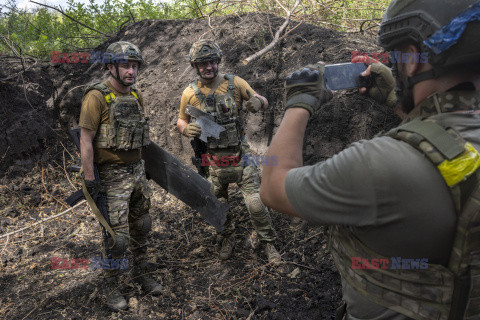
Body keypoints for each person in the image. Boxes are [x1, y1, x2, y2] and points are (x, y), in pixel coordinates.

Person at [260, 0, 480, 319]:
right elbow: (448, 133)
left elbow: (273, 187)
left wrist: (298, 102)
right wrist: (397, 100)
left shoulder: (376, 164)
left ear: (414, 57)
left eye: (395, 57)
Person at [176, 39, 281, 263]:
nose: (209, 67)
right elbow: (181, 120)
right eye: (202, 63)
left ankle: (269, 243)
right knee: (218, 205)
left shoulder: (235, 83)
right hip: (213, 160)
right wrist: (186, 129)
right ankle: (226, 237)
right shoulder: (189, 93)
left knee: (255, 204)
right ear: (195, 66)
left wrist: (257, 102)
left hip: (240, 156)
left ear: (218, 61)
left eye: (212, 61)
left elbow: (262, 99)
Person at [79, 41, 163, 311]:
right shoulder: (96, 96)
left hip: (136, 172)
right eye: (126, 65)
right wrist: (90, 180)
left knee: (143, 225)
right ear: (111, 67)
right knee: (117, 238)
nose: (131, 70)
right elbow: (86, 140)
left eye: (135, 65)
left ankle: (141, 272)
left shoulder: (136, 96)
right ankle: (111, 284)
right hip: (111, 175)